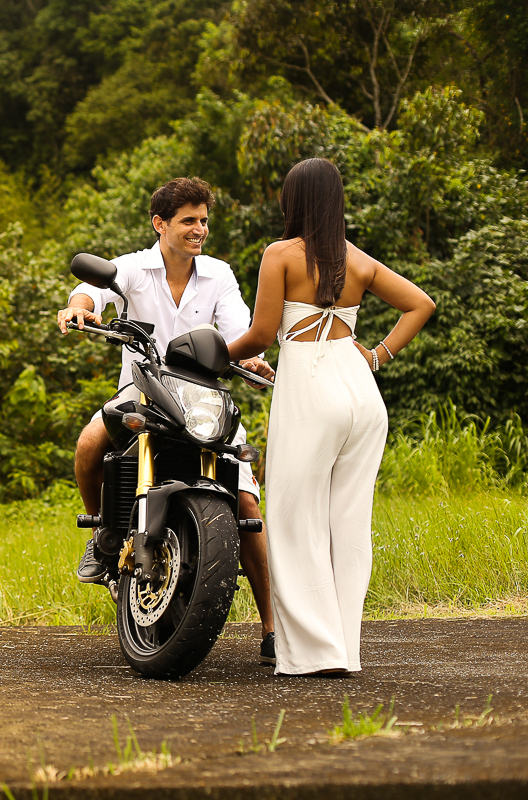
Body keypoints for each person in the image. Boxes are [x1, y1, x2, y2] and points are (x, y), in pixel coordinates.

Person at [226, 158, 435, 676]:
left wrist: (209, 355)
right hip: (362, 393)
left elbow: (258, 336)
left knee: (294, 521)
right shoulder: (357, 261)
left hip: (311, 391)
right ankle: (346, 650)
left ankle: (314, 654)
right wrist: (377, 354)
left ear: (293, 200)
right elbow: (421, 304)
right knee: (349, 523)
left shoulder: (280, 255)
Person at [57, 176, 278, 664]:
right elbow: (89, 290)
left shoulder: (218, 274)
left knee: (246, 501)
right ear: (160, 224)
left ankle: (271, 628)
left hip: (202, 400)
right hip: (142, 393)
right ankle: (104, 532)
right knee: (90, 442)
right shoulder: (135, 269)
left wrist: (251, 358)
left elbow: (239, 331)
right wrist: (78, 311)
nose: (198, 229)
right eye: (188, 221)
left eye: (203, 220)